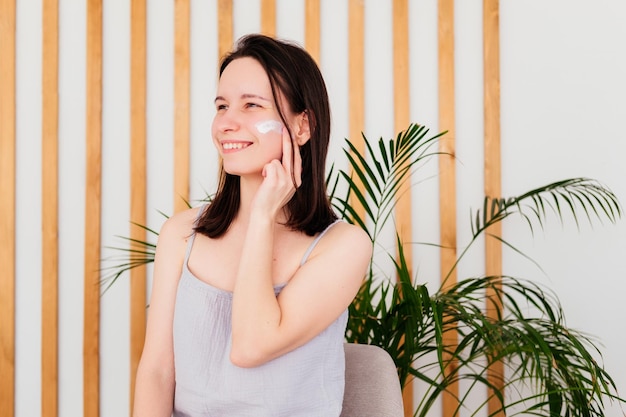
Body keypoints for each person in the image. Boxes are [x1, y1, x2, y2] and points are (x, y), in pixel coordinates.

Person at [132, 34, 372, 417]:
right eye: (222, 105)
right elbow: (158, 372)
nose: (226, 123)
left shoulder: (343, 246)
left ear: (302, 127)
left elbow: (250, 345)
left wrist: (261, 218)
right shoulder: (179, 235)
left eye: (251, 105)